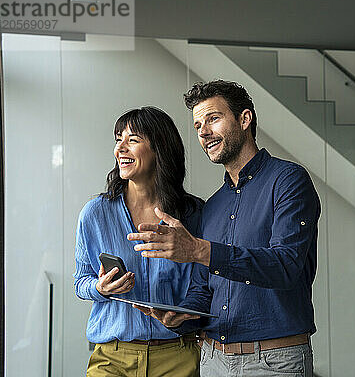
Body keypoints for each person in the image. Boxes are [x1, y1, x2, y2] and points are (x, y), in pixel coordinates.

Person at [129, 80, 321, 377]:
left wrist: (199, 250)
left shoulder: (288, 181)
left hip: (274, 361)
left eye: (213, 119)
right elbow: (204, 287)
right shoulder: (214, 205)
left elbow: (286, 266)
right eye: (197, 126)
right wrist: (182, 313)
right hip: (214, 359)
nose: (203, 132)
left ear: (245, 119)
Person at [73, 106, 204, 377]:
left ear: (160, 149)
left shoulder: (194, 214)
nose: (120, 148)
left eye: (132, 140)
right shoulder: (95, 213)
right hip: (112, 357)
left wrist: (187, 314)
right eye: (118, 139)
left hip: (177, 355)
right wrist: (101, 287)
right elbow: (80, 282)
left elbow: (205, 284)